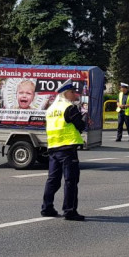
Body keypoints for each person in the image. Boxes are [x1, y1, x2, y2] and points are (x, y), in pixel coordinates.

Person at [41, 82, 87, 221]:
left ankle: (47, 208)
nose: (75, 94)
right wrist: (84, 116)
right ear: (65, 93)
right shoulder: (69, 108)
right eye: (72, 92)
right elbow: (81, 125)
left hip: (53, 148)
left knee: (52, 180)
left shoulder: (51, 109)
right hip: (68, 148)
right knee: (70, 181)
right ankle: (70, 211)